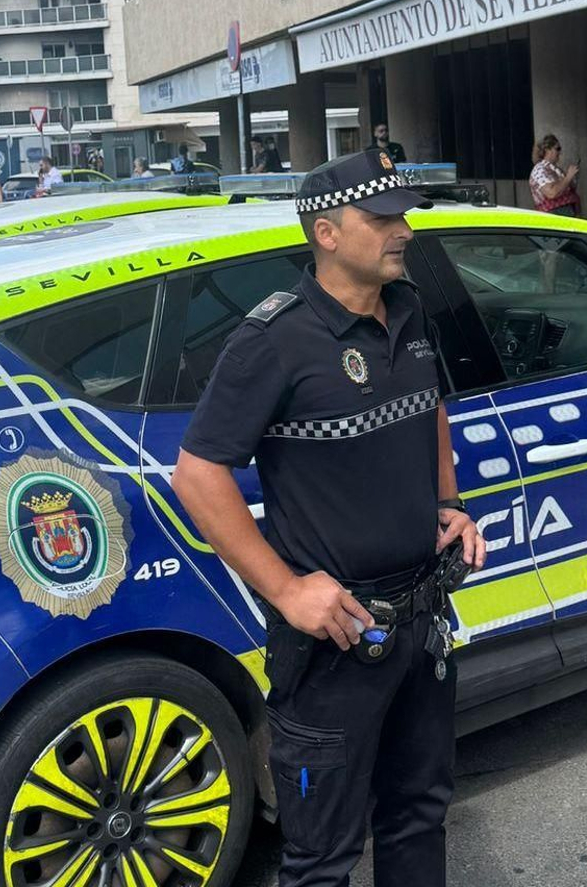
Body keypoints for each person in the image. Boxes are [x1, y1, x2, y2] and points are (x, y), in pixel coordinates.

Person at [172, 150, 486, 887]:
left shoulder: (407, 309)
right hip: (336, 641)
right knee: (322, 860)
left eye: (403, 214)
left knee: (418, 815)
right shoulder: (272, 341)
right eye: (381, 218)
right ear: (327, 233)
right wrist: (285, 592)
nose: (402, 229)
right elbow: (198, 474)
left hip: (420, 621)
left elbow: (428, 405)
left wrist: (451, 503)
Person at [529, 134, 581, 216]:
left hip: (566, 213)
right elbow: (552, 193)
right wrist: (568, 177)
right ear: (547, 150)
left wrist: (571, 178)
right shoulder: (540, 170)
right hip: (554, 214)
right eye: (557, 149)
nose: (560, 152)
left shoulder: (555, 169)